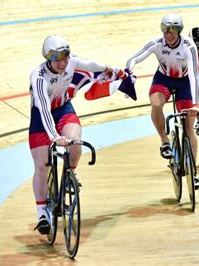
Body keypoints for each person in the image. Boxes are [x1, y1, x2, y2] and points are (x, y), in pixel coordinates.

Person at [29, 35, 127, 234]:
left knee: (75, 144)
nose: (63, 63)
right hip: (42, 117)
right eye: (57, 60)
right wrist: (55, 136)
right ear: (48, 59)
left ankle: (70, 173)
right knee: (41, 165)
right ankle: (42, 213)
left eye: (65, 58)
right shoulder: (38, 76)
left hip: (64, 109)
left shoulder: (71, 62)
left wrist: (107, 68)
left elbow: (89, 64)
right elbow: (44, 108)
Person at [125, 13, 199, 189]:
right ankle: (164, 141)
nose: (170, 33)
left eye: (174, 29)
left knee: (189, 129)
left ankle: (194, 172)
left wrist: (196, 103)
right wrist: (129, 73)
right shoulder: (157, 44)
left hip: (184, 83)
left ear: (180, 31)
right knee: (156, 104)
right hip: (163, 79)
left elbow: (194, 76)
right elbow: (133, 59)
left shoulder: (189, 46)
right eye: (166, 29)